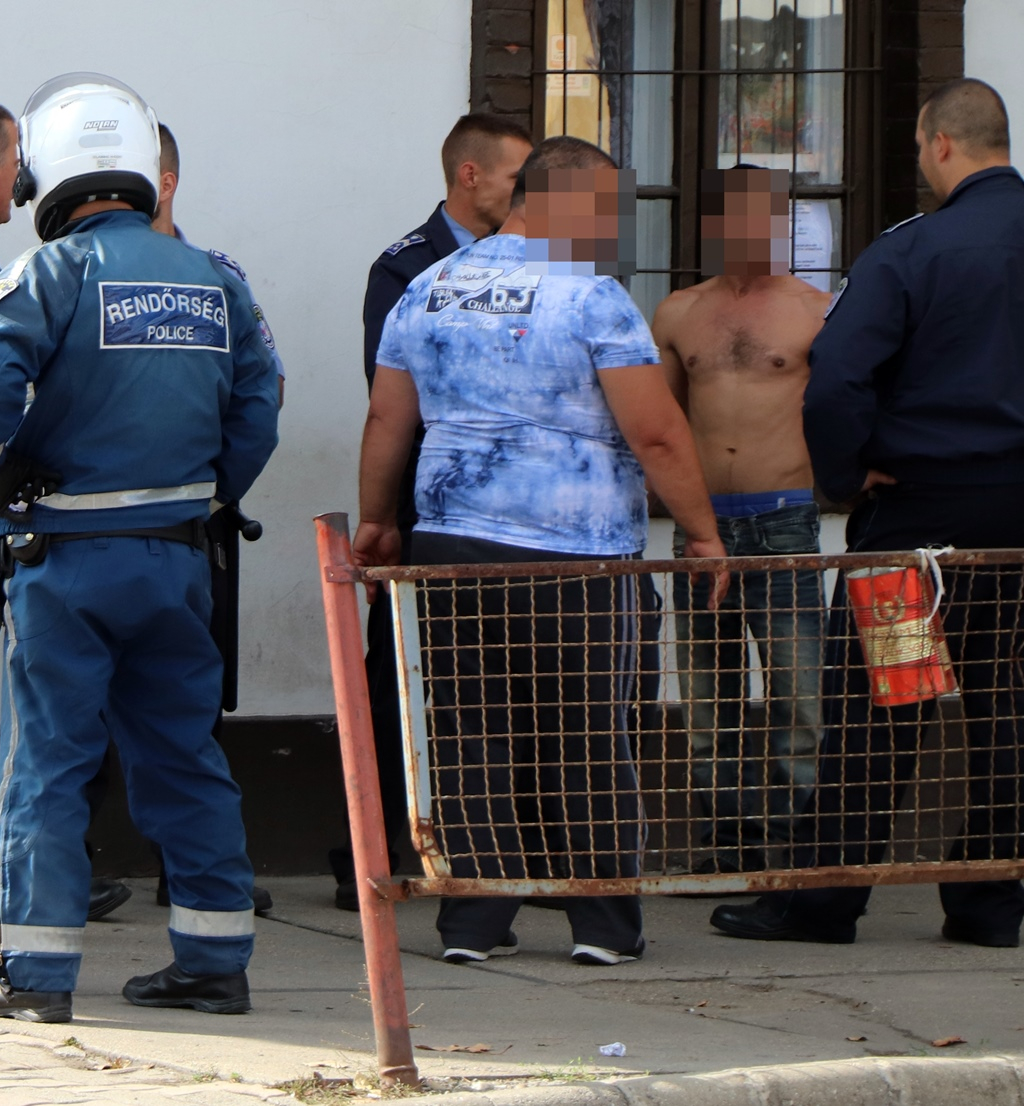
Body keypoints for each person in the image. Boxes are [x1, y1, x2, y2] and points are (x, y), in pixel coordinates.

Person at [710, 78, 1024, 948]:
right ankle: (989, 908)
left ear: (942, 144)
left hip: (915, 526)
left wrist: (848, 476)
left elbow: (838, 380)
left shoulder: (908, 254)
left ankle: (825, 904)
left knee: (885, 703)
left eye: (922, 146)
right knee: (1009, 701)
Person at [0, 73, 279, 1024]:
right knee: (185, 756)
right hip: (178, 559)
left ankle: (32, 974)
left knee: (47, 763)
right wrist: (208, 492)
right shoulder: (215, 279)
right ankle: (214, 962)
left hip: (67, 562)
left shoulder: (51, 273)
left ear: (49, 173)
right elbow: (259, 408)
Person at [355, 136, 727, 965]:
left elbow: (387, 418)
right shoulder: (591, 296)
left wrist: (378, 520)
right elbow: (657, 432)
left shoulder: (430, 286)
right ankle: (602, 926)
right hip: (575, 553)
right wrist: (702, 533)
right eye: (608, 209)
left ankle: (473, 924)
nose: (614, 227)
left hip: (450, 544)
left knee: (468, 734)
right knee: (588, 733)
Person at [334, 113, 532, 912]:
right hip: (432, 509)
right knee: (402, 680)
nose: (527, 193)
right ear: (470, 175)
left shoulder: (545, 262)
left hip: (520, 514)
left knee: (519, 687)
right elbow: (395, 397)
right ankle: (380, 851)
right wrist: (382, 515)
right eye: (517, 177)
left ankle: (520, 855)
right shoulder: (408, 267)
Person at [651, 165, 829, 878]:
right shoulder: (679, 312)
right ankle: (725, 845)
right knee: (707, 702)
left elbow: (848, 408)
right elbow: (661, 423)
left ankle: (795, 854)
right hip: (702, 528)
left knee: (799, 698)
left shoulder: (817, 311)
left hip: (783, 520)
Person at [147, 119, 281, 916]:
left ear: (165, 182)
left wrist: (216, 495)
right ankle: (74, 872)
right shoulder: (61, 271)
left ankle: (190, 878)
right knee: (73, 719)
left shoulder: (215, 277)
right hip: (87, 531)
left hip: (191, 529)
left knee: (189, 707)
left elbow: (263, 394)